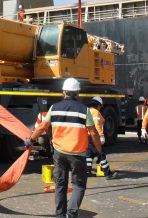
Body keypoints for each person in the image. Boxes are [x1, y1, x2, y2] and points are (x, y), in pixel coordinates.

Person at [25, 78, 102, 218]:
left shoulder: (54, 108)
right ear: (77, 93)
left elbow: (42, 127)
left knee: (60, 185)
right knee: (79, 185)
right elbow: (93, 133)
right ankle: (71, 214)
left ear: (64, 92)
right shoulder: (84, 110)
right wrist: (99, 151)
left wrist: (30, 140)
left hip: (59, 153)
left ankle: (60, 215)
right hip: (78, 154)